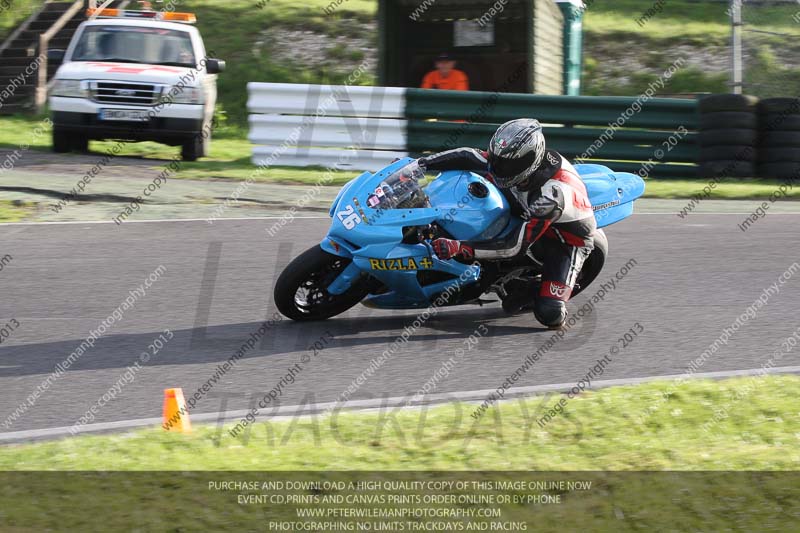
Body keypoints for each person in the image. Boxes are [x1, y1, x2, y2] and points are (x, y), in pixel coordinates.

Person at [418, 119, 597, 329]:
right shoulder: (510, 161)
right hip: (526, 209)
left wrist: (460, 247)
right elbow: (468, 155)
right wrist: (420, 165)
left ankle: (535, 288)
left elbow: (513, 246)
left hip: (563, 241)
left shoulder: (550, 196)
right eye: (497, 159)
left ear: (530, 161)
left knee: (550, 314)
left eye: (507, 164)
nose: (498, 168)